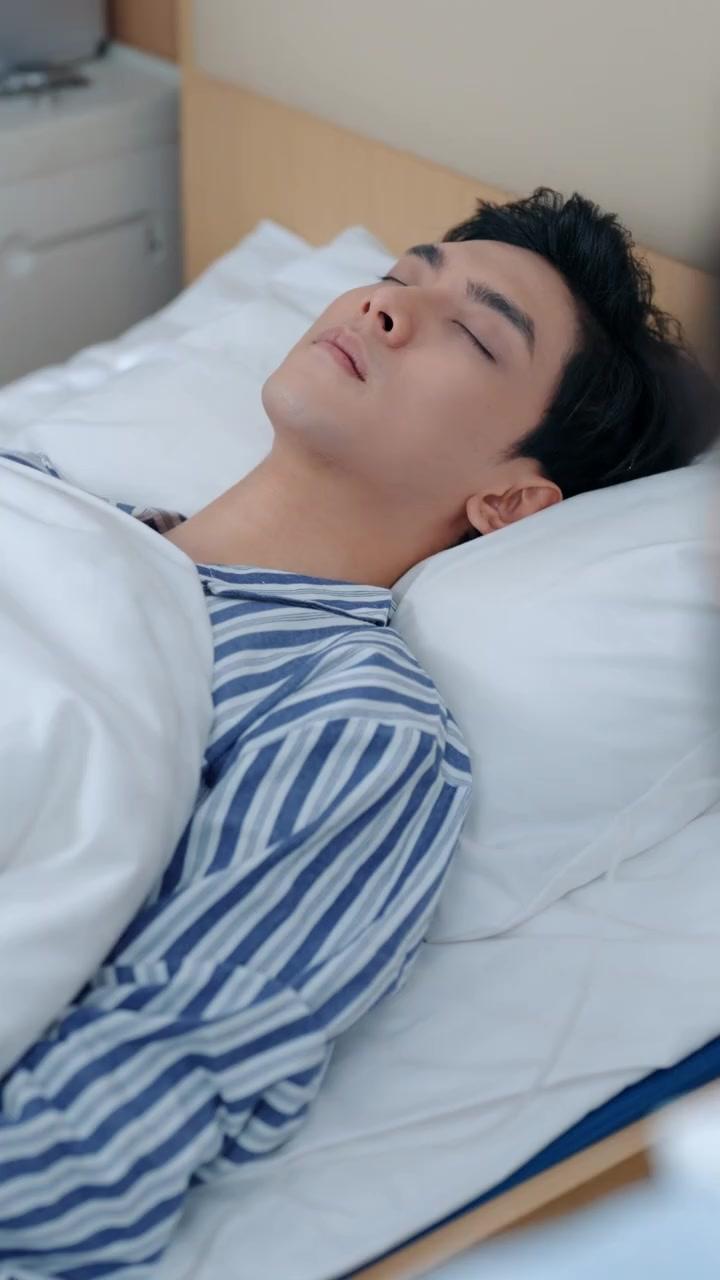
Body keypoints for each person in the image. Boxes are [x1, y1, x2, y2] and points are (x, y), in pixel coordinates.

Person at [0, 188, 715, 1279]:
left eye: (474, 333)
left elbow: (94, 1164)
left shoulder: (352, 722)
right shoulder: (40, 498)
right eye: (396, 277)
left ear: (510, 503)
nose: (385, 309)